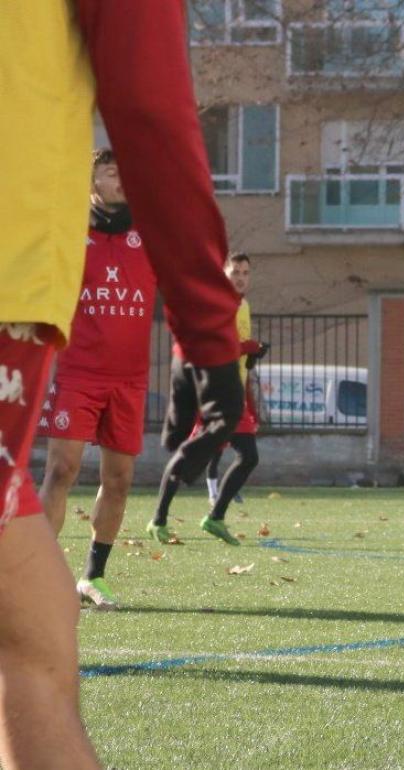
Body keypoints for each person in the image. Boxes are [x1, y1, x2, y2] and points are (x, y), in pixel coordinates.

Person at [1, 2, 243, 766]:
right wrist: (210, 334)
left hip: (101, 358)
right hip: (10, 279)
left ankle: (93, 570)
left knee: (36, 631)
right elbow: (150, 109)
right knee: (32, 644)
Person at [37, 148, 158, 610]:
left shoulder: (150, 237)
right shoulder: (71, 235)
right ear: (92, 182)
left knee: (120, 479)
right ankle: (39, 576)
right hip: (78, 374)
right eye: (111, 172)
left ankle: (93, 576)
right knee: (61, 470)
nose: (121, 179)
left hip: (129, 380)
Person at [198, 254, 269, 543]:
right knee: (196, 454)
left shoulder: (244, 306)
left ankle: (214, 516)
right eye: (235, 272)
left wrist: (252, 355)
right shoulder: (218, 305)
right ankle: (162, 517)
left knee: (244, 455)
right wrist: (248, 347)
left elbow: (240, 355)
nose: (240, 277)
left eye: (245, 272)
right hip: (218, 390)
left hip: (234, 391)